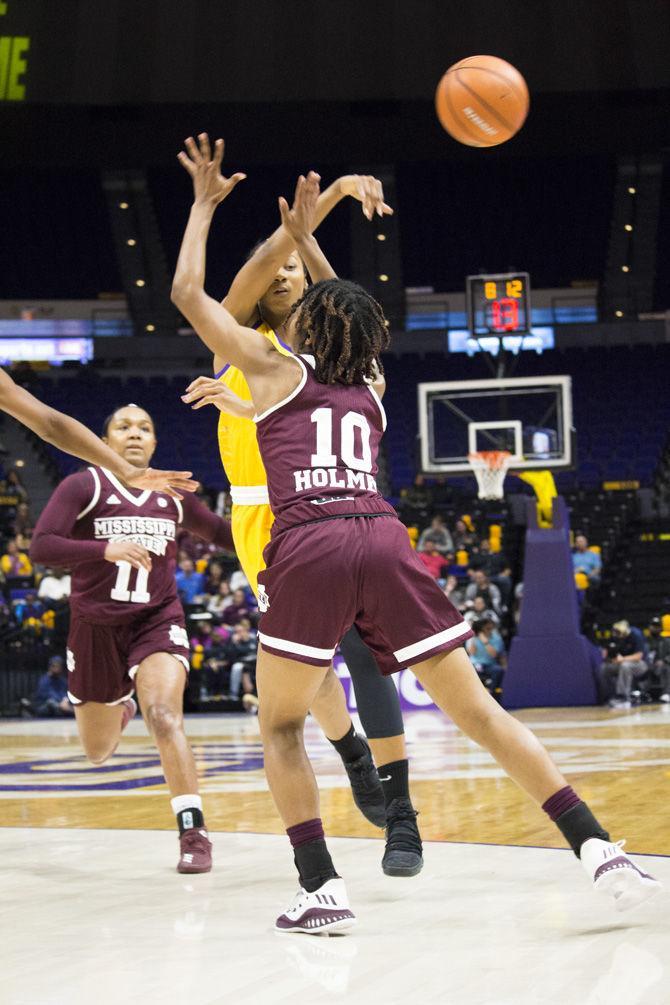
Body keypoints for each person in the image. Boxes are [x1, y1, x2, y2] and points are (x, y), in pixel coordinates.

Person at [172, 138, 660, 932]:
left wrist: (203, 208)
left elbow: (189, 291)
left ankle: (321, 886)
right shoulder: (370, 378)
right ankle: (598, 847)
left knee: (282, 721)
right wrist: (310, 241)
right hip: (385, 535)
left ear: (303, 320)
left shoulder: (265, 367)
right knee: (482, 713)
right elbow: (345, 310)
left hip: (311, 539)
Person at [180, 141, 420, 870]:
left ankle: (400, 806)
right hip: (265, 519)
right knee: (310, 669)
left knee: (366, 651)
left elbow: (344, 302)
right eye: (274, 267)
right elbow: (237, 279)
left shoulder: (336, 352)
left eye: (295, 266)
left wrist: (319, 229)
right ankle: (348, 748)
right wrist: (308, 217)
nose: (284, 271)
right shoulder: (244, 345)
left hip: (342, 507)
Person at [30, 404, 234, 874]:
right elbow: (42, 546)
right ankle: (121, 705)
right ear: (103, 439)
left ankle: (193, 830)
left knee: (164, 715)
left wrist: (265, 518)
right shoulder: (84, 485)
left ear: (156, 443)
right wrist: (103, 548)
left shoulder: (171, 494)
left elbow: (222, 533)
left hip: (156, 620)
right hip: (95, 628)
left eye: (145, 427)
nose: (135, 434)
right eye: (123, 427)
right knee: (98, 751)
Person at [599, 620, 648, 708]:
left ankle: (623, 697)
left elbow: (638, 656)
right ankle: (608, 695)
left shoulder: (636, 635)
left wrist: (623, 659)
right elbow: (607, 651)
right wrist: (608, 656)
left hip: (640, 664)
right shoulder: (615, 636)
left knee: (625, 666)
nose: (616, 635)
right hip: (621, 663)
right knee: (604, 668)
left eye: (618, 633)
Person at [466, 618, 506, 694]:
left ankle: (491, 693)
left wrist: (486, 643)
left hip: (489, 665)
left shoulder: (496, 638)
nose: (488, 630)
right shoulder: (473, 637)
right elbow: (471, 652)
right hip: (475, 664)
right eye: (486, 628)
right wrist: (474, 637)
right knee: (468, 671)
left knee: (498, 670)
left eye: (490, 628)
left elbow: (494, 654)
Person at [645, 616, 670, 703]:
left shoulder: (666, 641)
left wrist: (664, 660)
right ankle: (642, 693)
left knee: (667, 668)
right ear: (649, 626)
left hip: (662, 665)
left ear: (660, 627)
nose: (655, 628)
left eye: (657, 626)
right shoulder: (645, 641)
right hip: (647, 664)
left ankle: (666, 693)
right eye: (653, 625)